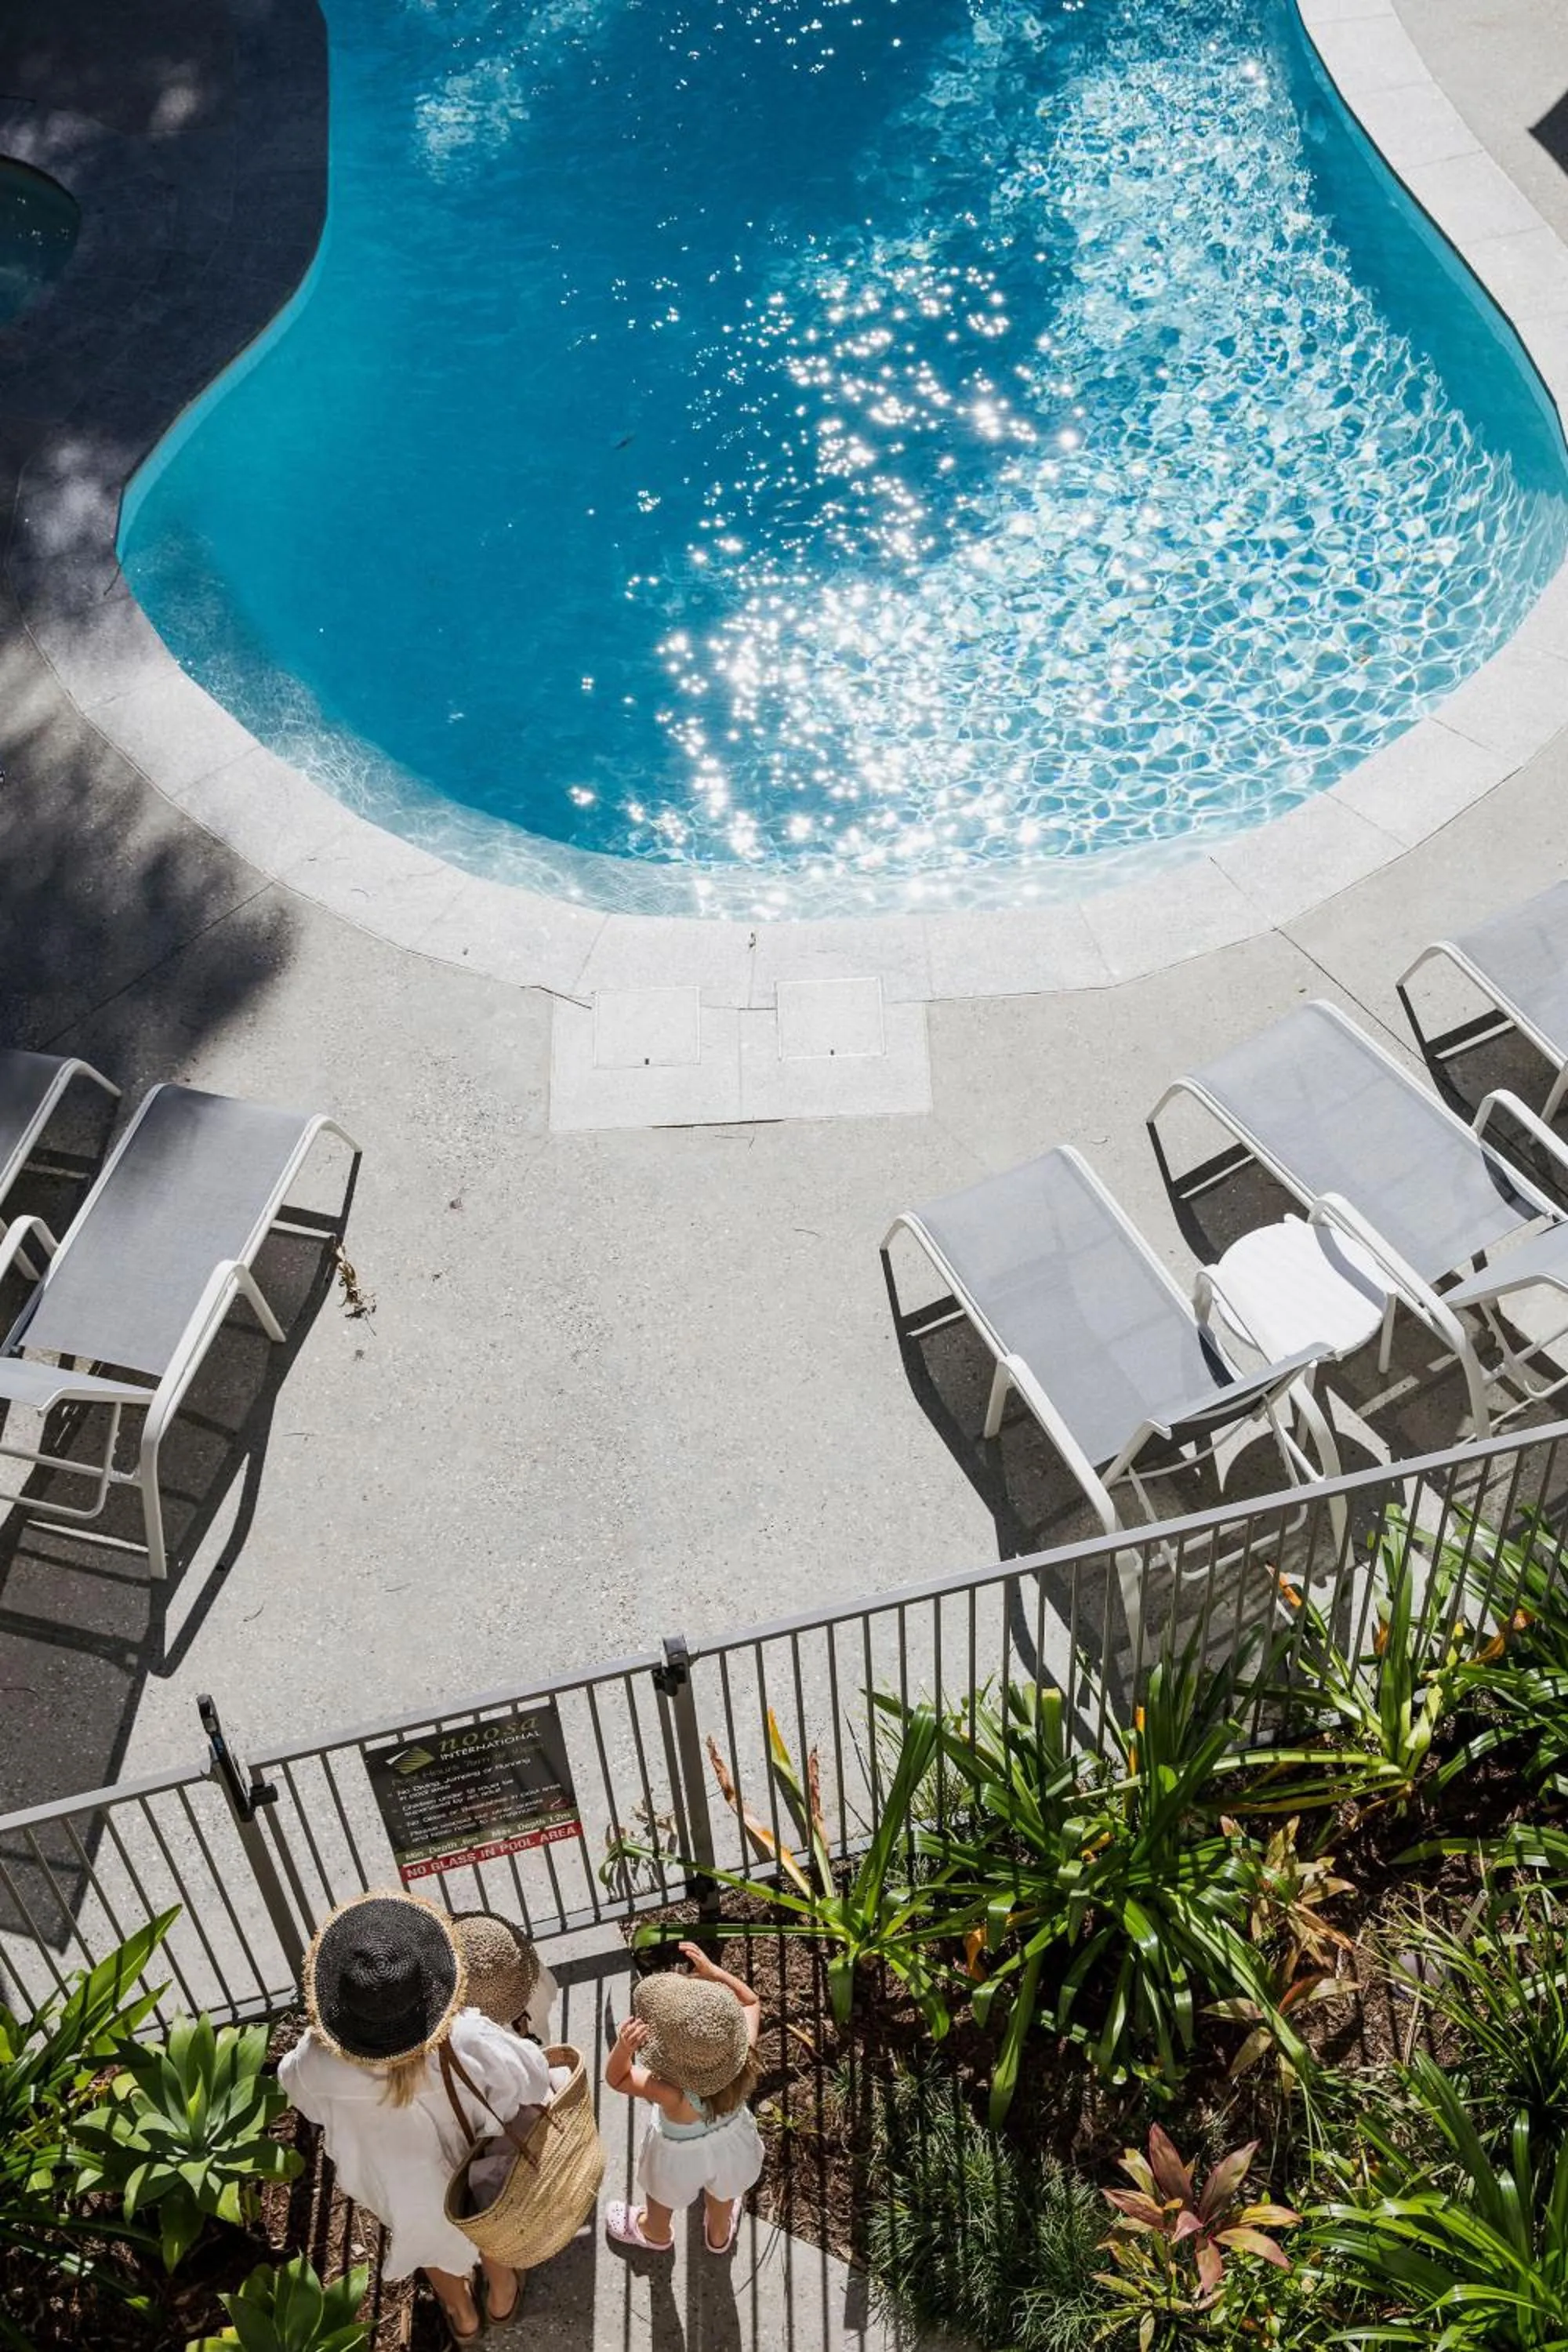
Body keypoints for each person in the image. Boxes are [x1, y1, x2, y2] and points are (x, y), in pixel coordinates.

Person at [279, 1890, 554, 2344]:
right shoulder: (465, 2035)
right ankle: (502, 2296)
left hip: (397, 2186)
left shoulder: (316, 2061)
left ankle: (461, 2316)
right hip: (476, 2167)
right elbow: (530, 2078)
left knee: (427, 2243)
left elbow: (301, 2098)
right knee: (486, 2219)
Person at [602, 1940, 764, 2256]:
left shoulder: (673, 2092)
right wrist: (715, 1972)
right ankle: (718, 2234)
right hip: (733, 2147)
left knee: (662, 2199)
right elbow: (751, 2001)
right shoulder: (743, 2055)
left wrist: (624, 2048)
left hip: (678, 2160)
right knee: (725, 2190)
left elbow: (617, 2078)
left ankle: (655, 2232)